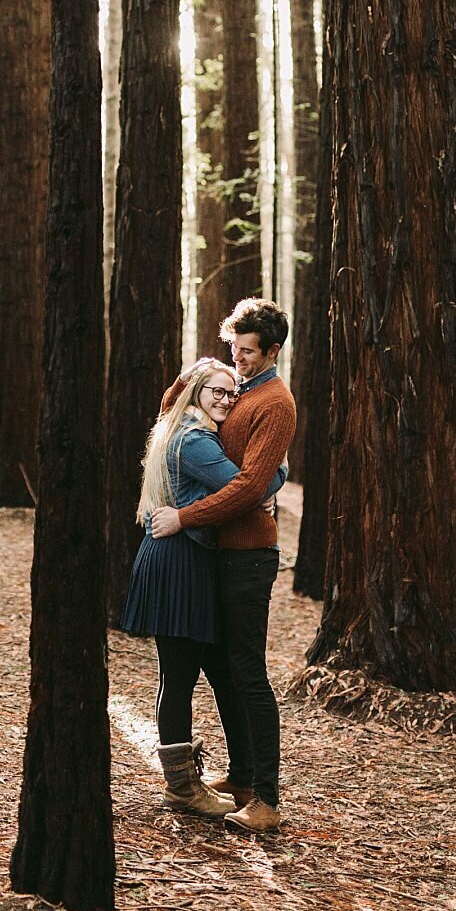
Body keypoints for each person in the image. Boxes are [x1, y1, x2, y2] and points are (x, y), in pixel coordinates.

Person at [149, 298, 297, 834]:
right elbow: (174, 406)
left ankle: (267, 798)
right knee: (222, 669)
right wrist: (195, 374)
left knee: (248, 672)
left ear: (273, 350)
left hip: (248, 555)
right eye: (233, 349)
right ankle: (239, 777)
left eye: (249, 352)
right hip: (216, 552)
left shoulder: (274, 402)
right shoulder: (235, 388)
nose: (238, 360)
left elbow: (250, 486)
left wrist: (185, 517)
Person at [121, 357, 283, 818]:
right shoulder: (193, 440)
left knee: (196, 673)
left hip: (185, 558)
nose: (226, 399)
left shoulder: (180, 428)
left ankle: (224, 776)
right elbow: (245, 487)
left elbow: (238, 487)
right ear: (195, 392)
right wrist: (277, 476)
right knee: (179, 677)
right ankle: (181, 788)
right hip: (179, 561)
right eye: (215, 389)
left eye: (231, 392)